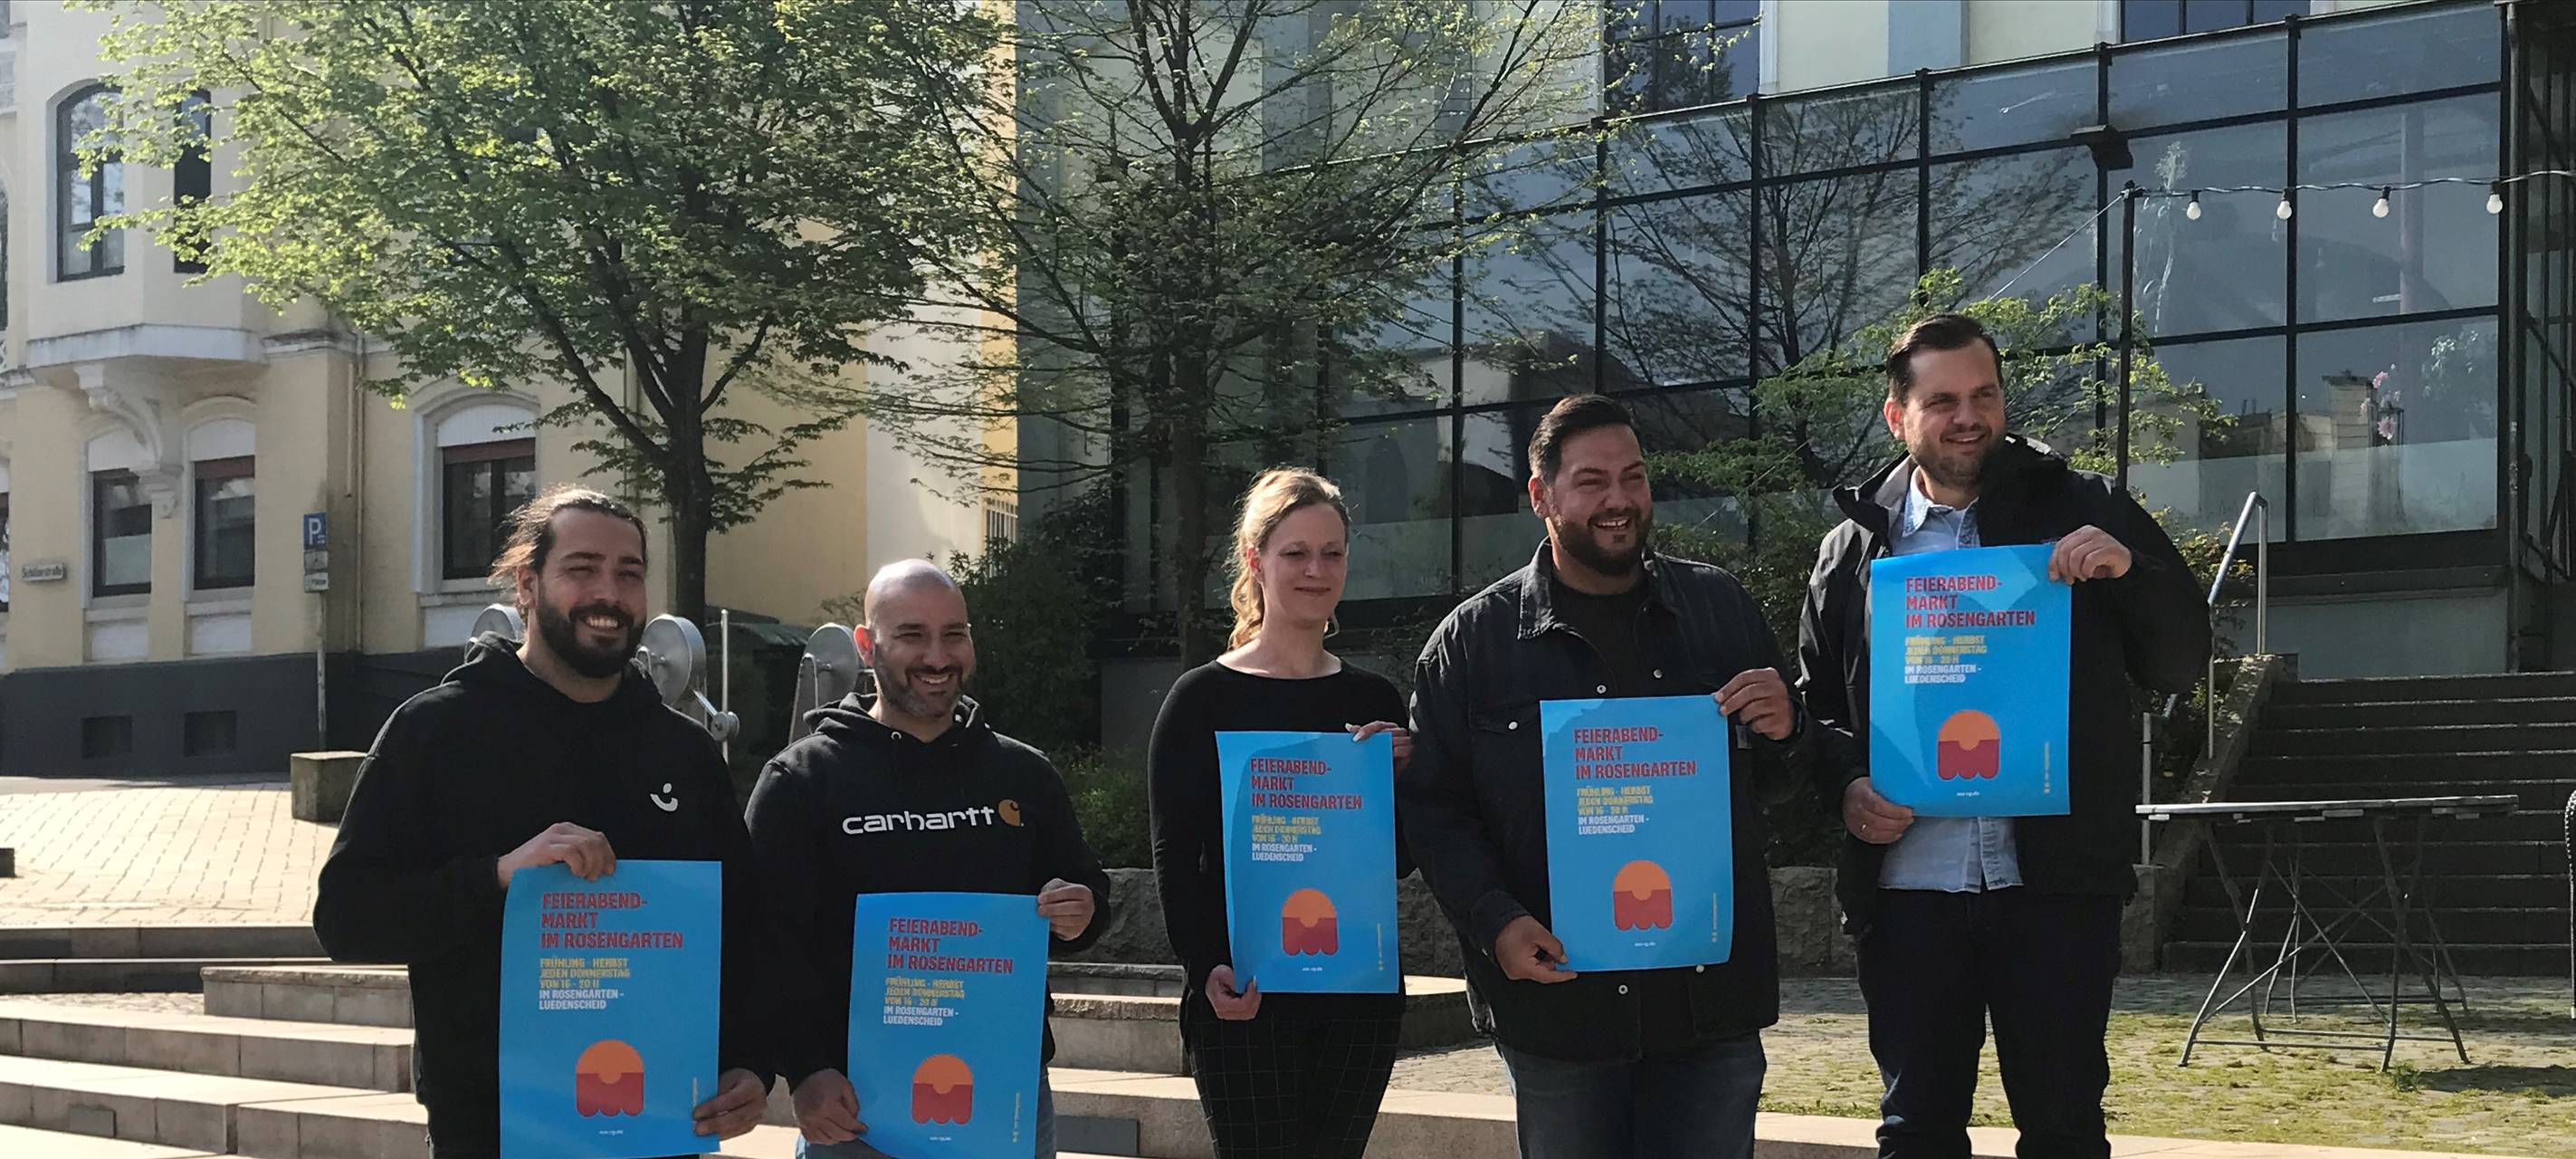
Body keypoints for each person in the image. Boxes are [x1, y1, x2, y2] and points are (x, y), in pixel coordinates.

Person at [1795, 313, 2209, 1159]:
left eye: (1984, 394)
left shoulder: (2082, 505)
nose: (1969, 416)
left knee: (2063, 1130)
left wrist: (2130, 571)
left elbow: (2181, 658)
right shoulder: (1853, 550)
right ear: (1896, 416)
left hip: (2052, 889)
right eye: (1942, 400)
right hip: (1909, 893)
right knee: (1916, 1134)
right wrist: (1844, 786)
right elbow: (1820, 712)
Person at [1399, 394, 1818, 1159]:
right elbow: (1434, 812)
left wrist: (1788, 728)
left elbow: (1779, 786)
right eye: (1592, 482)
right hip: (1560, 1011)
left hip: (1707, 1004)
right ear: (1541, 496)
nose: (1620, 501)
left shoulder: (1720, 610)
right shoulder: (1474, 643)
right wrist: (1496, 922)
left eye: (1634, 477)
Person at [314, 485, 773, 1159]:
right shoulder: (436, 730)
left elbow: (743, 928)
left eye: (629, 574)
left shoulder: (683, 751)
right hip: (492, 1130)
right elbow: (347, 919)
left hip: (660, 1122)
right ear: (528, 585)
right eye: (582, 569)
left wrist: (751, 1062)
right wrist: (497, 878)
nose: (608, 594)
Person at [747, 560, 1114, 1158]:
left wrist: (1081, 909)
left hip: (1004, 1093)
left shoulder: (1022, 773)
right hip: (855, 1110)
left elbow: (1085, 893)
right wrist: (804, 1070)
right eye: (913, 636)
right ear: (868, 645)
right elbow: (766, 945)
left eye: (954, 634)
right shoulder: (801, 781)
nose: (938, 658)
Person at [1147, 468, 1414, 1159]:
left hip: (1357, 992)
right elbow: (1178, 857)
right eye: (1296, 553)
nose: (1316, 570)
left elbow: (1404, 860)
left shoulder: (1377, 699)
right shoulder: (1199, 700)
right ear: (1254, 559)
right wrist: (1204, 965)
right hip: (1246, 993)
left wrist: (1408, 779)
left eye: (1332, 553)